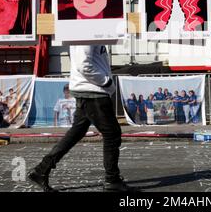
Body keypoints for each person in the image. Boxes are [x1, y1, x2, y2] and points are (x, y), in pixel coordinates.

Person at [28, 45, 133, 192]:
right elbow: (84, 64)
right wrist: (106, 82)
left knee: (75, 133)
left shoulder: (88, 33)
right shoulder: (87, 32)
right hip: (93, 92)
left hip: (89, 90)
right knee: (112, 134)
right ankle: (112, 180)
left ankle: (41, 171)